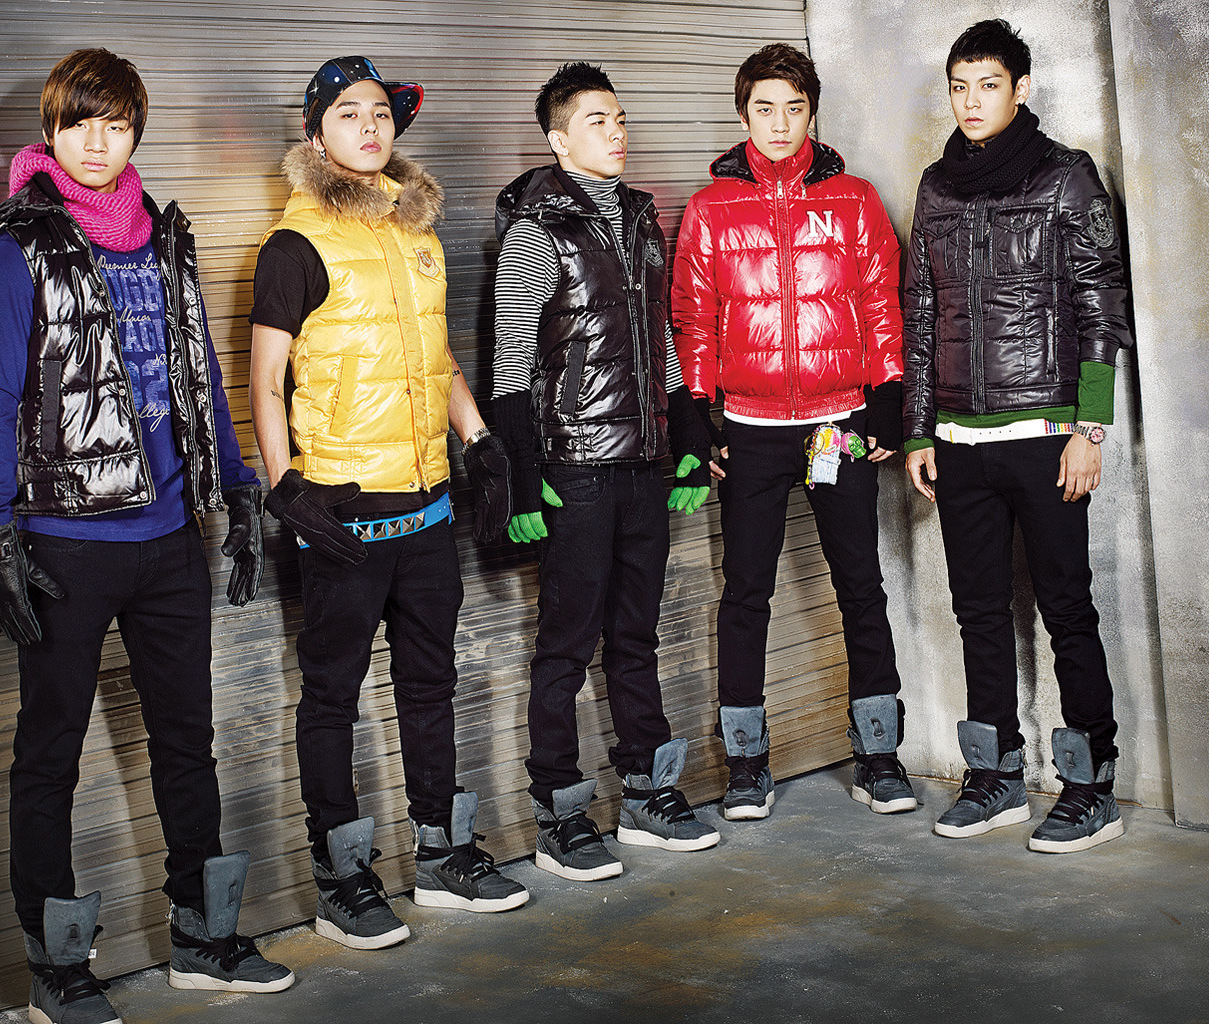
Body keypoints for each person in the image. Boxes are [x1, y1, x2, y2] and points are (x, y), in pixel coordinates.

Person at [0, 47, 294, 1024]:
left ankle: (202, 937)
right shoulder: (19, 245)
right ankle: (58, 969)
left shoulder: (164, 235)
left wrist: (238, 486)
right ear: (52, 131)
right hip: (65, 543)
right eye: (80, 124)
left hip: (171, 538)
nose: (97, 143)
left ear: (135, 133)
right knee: (49, 756)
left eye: (115, 125)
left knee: (187, 742)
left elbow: (198, 372)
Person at [248, 55, 526, 949]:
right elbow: (264, 378)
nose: (369, 127)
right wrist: (284, 485)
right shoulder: (294, 244)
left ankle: (442, 855)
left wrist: (479, 440)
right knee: (332, 694)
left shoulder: (416, 231)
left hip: (428, 506)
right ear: (315, 132)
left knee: (430, 682)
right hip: (343, 514)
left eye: (380, 113)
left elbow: (434, 357)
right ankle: (341, 880)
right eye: (349, 114)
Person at [902, 19, 1133, 853]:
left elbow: (1103, 305)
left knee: (1067, 609)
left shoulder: (1067, 177)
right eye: (959, 87)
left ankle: (1090, 788)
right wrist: (918, 431)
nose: (971, 101)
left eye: (988, 85)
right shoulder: (936, 187)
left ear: (1020, 88)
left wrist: (1090, 428)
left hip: (1046, 435)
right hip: (958, 442)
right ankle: (994, 778)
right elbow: (920, 314)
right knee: (977, 612)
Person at [671, 43, 916, 822]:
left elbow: (882, 303)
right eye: (764, 108)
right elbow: (693, 319)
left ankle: (879, 754)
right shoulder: (710, 209)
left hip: (837, 425)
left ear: (812, 113)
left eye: (794, 108)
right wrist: (696, 417)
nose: (779, 124)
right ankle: (747, 765)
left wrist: (888, 395)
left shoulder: (854, 199)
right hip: (751, 431)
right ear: (743, 115)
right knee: (746, 593)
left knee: (860, 586)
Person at [491, 61, 720, 883]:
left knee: (635, 636)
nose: (617, 132)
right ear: (558, 140)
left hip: (643, 466)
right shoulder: (534, 233)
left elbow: (662, 346)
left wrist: (686, 432)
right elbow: (509, 364)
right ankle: (559, 815)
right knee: (564, 646)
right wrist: (522, 476)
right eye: (597, 121)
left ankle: (648, 796)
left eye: (620, 118)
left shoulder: (640, 219)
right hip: (577, 470)